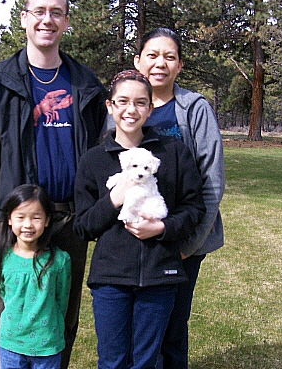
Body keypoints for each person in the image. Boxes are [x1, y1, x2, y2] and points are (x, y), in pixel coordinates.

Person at [0, 0, 107, 369]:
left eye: (56, 12)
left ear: (66, 22)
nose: (47, 19)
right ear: (24, 19)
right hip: (15, 221)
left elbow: (99, 152)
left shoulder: (85, 85)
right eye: (39, 11)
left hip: (68, 220)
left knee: (60, 318)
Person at [73, 70, 206, 368]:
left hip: (160, 275)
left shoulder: (173, 153)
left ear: (150, 107)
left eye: (140, 103)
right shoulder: (93, 160)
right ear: (109, 106)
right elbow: (82, 226)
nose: (130, 110)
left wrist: (162, 228)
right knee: (112, 361)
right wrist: (113, 199)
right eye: (122, 102)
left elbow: (194, 208)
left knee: (146, 361)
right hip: (111, 278)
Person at [133, 27, 225, 369]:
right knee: (138, 329)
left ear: (180, 65)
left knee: (172, 328)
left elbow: (212, 181)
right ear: (137, 61)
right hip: (135, 240)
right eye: (152, 55)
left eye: (169, 56)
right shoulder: (124, 106)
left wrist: (190, 243)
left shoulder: (194, 109)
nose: (160, 63)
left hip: (181, 239)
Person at [0, 184, 71, 369]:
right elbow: (2, 290)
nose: (28, 225)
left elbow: (62, 300)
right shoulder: (0, 257)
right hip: (11, 344)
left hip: (47, 345)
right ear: (9, 219)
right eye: (20, 217)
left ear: (47, 220)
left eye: (36, 217)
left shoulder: (60, 260)